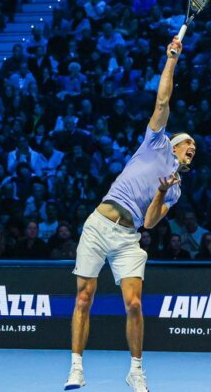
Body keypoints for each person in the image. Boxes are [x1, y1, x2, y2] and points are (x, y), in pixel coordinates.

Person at [67, 38, 196, 392]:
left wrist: (159, 190)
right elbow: (163, 99)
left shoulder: (176, 188)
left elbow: (151, 222)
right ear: (174, 143)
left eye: (195, 151)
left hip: (128, 237)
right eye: (189, 146)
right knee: (83, 297)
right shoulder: (155, 141)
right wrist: (171, 59)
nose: (192, 151)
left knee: (135, 304)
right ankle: (76, 368)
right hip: (98, 225)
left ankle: (136, 371)